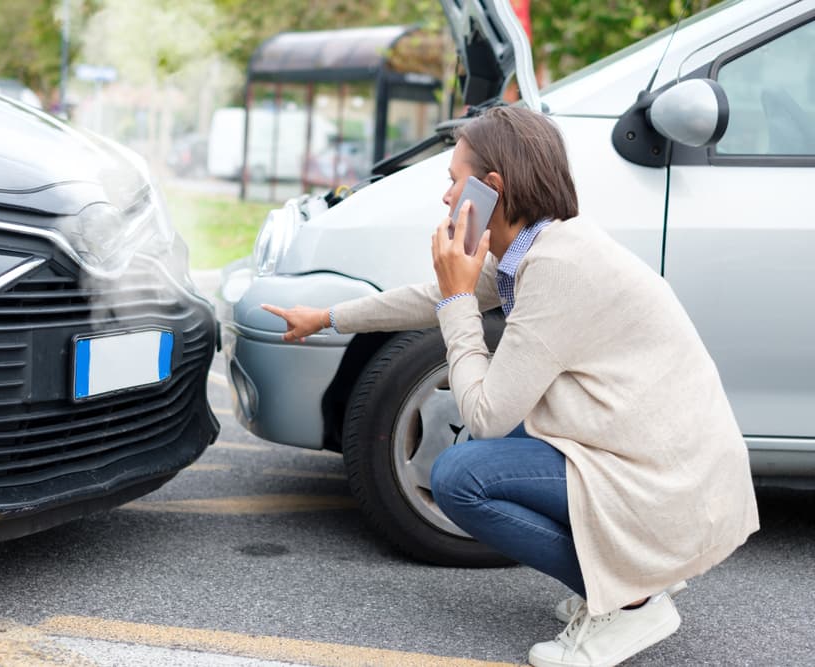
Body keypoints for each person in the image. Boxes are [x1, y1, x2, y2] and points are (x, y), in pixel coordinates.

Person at [262, 106, 759, 667]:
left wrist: (456, 301)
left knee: (458, 477)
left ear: (491, 187)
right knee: (514, 427)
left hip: (665, 486)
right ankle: (627, 576)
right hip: (660, 467)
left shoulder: (557, 270)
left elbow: (485, 415)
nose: (447, 199)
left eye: (454, 182)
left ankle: (634, 598)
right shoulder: (546, 247)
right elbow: (431, 298)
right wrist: (326, 317)